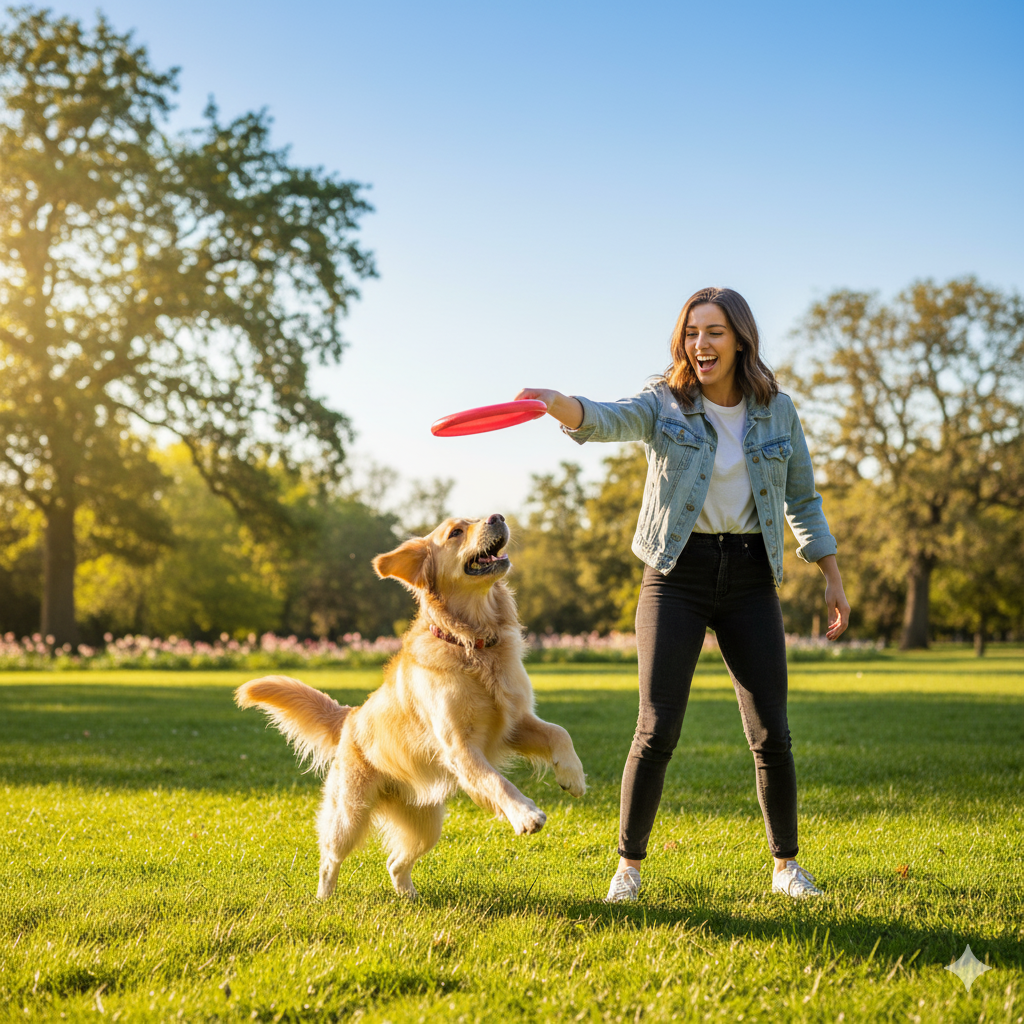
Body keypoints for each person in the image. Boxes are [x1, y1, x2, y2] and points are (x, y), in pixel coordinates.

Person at [515, 286, 850, 902]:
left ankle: (786, 868)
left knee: (770, 730)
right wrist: (557, 403)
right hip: (676, 574)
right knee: (657, 725)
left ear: (741, 338)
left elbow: (802, 498)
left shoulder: (779, 411)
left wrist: (829, 572)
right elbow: (608, 418)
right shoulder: (665, 405)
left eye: (714, 331)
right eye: (692, 332)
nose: (701, 343)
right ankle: (628, 868)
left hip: (751, 574)